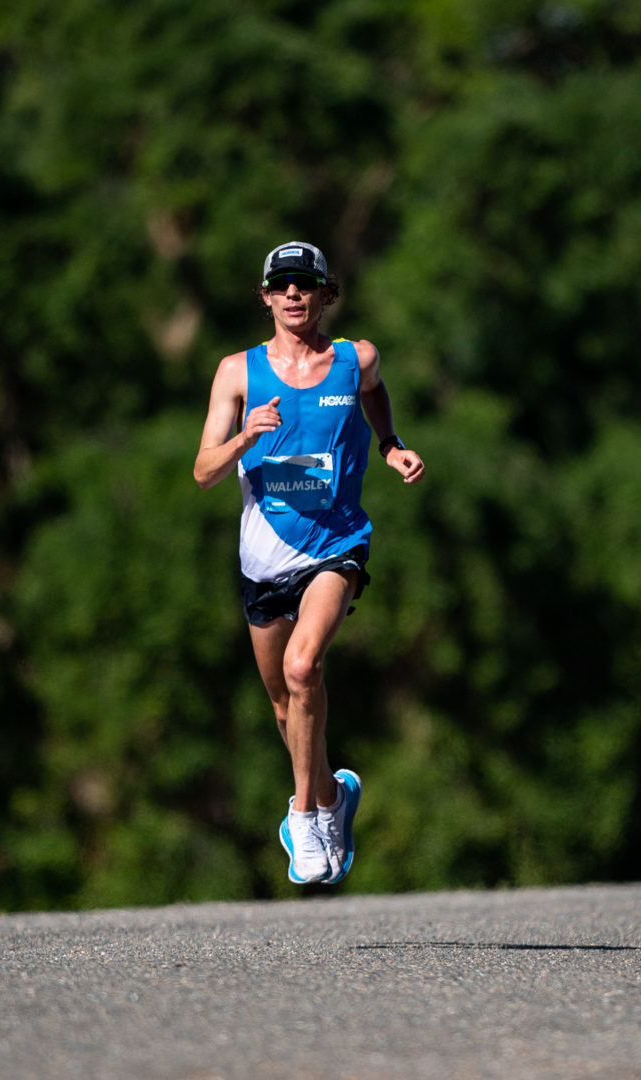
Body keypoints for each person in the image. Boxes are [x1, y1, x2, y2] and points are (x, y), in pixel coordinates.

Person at [193, 241, 425, 885]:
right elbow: (204, 472)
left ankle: (302, 815)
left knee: (303, 668)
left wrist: (391, 445)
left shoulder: (357, 360)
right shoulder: (237, 373)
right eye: (282, 284)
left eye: (306, 284)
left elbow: (375, 394)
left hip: (336, 546)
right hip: (264, 560)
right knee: (284, 707)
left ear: (327, 295)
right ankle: (331, 796)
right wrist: (247, 435)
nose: (294, 294)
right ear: (265, 296)